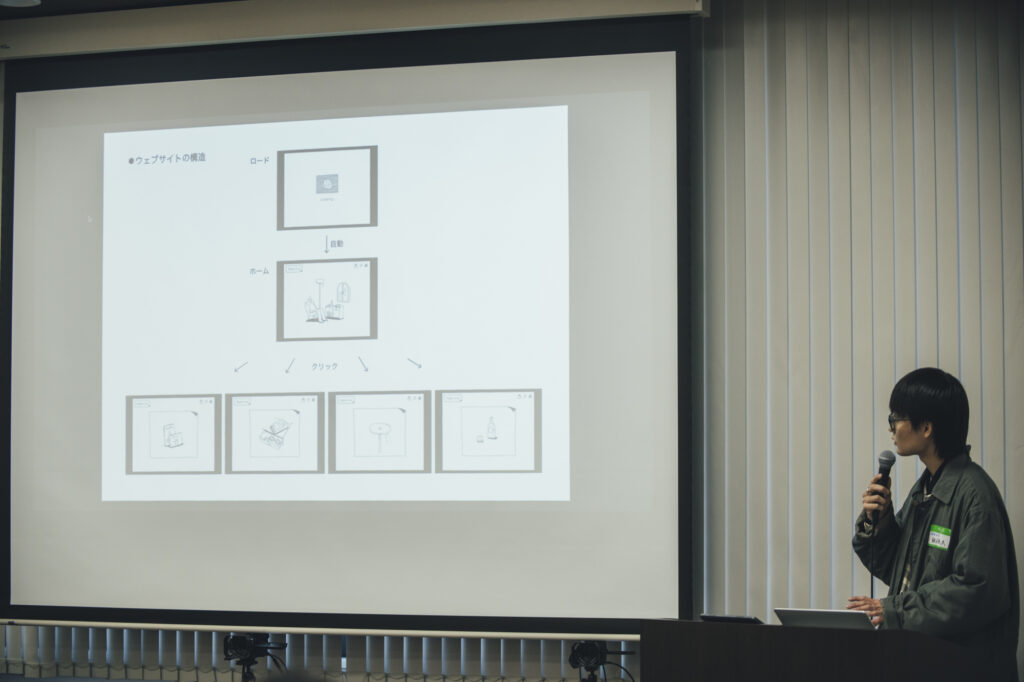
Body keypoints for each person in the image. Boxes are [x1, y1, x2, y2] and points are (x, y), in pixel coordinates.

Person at [848, 367, 1019, 682]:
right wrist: (881, 521)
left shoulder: (974, 494)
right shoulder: (925, 489)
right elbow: (898, 569)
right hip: (923, 661)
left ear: (926, 427)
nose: (891, 428)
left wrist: (894, 610)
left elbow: (977, 590)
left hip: (963, 668)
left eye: (896, 418)